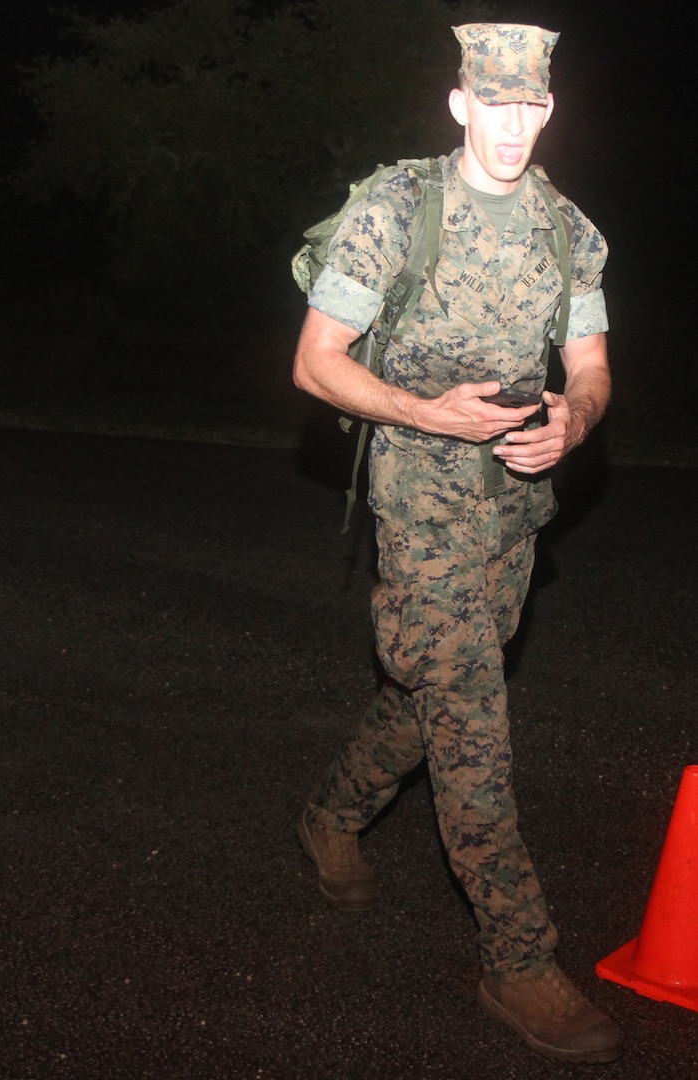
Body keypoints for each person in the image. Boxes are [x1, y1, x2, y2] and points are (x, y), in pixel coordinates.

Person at [291, 23, 621, 1065]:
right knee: (473, 713)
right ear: (459, 103)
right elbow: (316, 364)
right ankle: (518, 958)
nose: (514, 125)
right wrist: (427, 415)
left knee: (428, 687)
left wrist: (576, 419)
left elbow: (594, 362)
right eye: (497, 103)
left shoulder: (569, 229)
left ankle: (333, 810)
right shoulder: (399, 209)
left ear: (550, 110)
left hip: (517, 507)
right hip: (420, 495)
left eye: (533, 107)